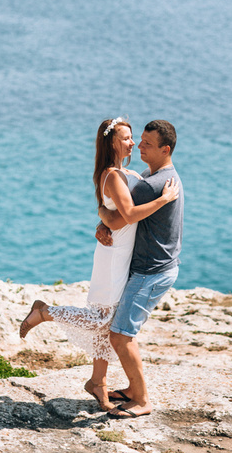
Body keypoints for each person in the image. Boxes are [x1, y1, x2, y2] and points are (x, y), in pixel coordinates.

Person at [18, 117, 179, 410]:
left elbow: (113, 213)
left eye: (137, 139)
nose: (135, 143)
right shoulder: (113, 175)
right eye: (128, 138)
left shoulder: (129, 172)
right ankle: (44, 312)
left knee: (106, 323)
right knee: (102, 319)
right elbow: (127, 215)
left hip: (123, 253)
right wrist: (163, 199)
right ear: (113, 142)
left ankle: (98, 382)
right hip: (115, 253)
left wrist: (102, 220)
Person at [98, 119, 183, 419]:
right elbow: (121, 211)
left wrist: (101, 215)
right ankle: (134, 391)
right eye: (139, 140)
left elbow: (121, 217)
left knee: (120, 336)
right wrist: (103, 220)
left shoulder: (153, 185)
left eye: (147, 143)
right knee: (122, 332)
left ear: (165, 149)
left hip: (151, 271)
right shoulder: (160, 176)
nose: (140, 146)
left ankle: (142, 399)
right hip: (157, 268)